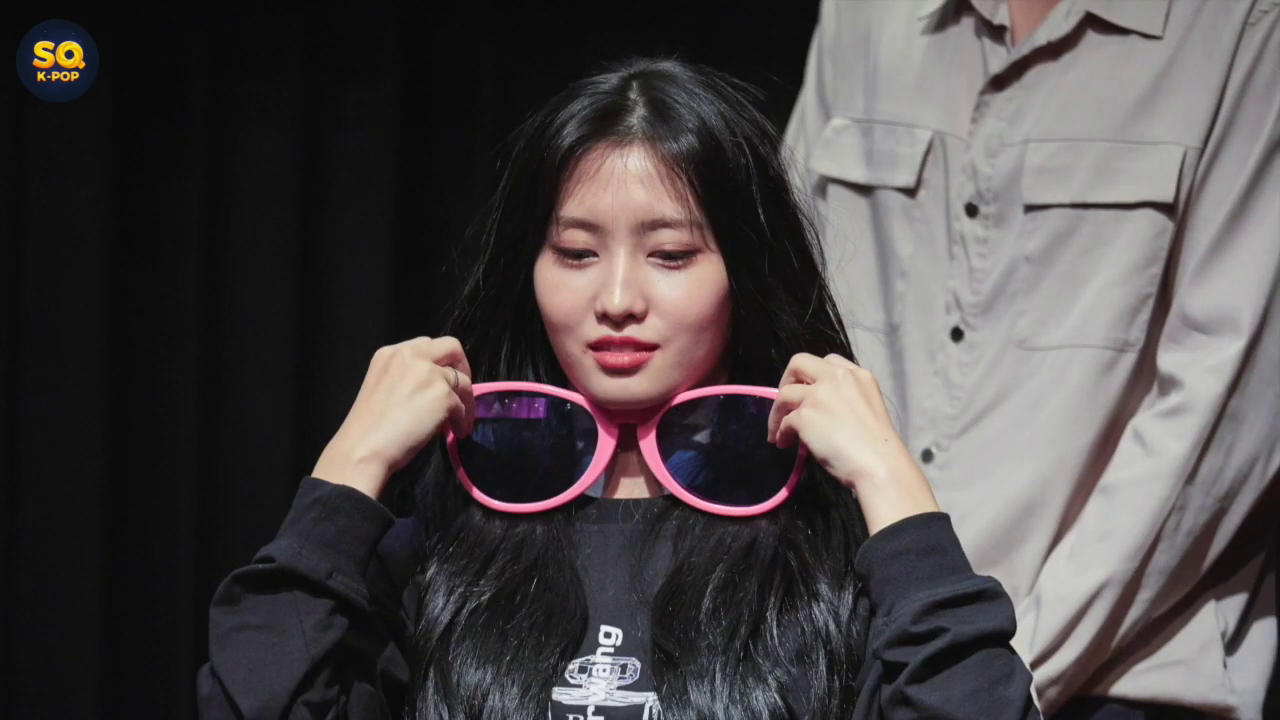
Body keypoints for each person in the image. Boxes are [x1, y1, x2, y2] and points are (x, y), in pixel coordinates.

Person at [196, 57, 1041, 719]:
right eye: (575, 253)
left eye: (670, 255)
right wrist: (351, 467)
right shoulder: (445, 535)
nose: (617, 298)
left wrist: (893, 484)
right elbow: (255, 701)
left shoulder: (824, 544)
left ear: (745, 272)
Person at [783, 1, 1279, 718]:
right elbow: (789, 296)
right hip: (864, 666)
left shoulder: (1243, 27)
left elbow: (1223, 416)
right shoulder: (866, 15)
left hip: (1108, 676)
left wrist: (974, 672)